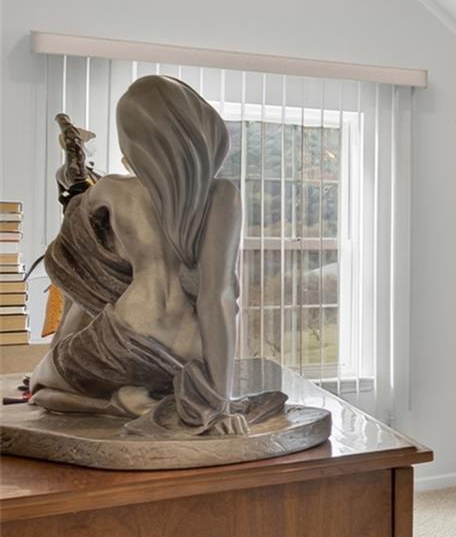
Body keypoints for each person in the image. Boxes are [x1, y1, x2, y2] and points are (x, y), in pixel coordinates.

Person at [30, 75, 283, 435]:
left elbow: (70, 247)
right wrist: (217, 403)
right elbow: (218, 297)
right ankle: (159, 398)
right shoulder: (221, 196)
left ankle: (117, 404)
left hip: (125, 337)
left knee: (41, 388)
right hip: (187, 353)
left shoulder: (112, 190)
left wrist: (73, 179)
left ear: (132, 145)